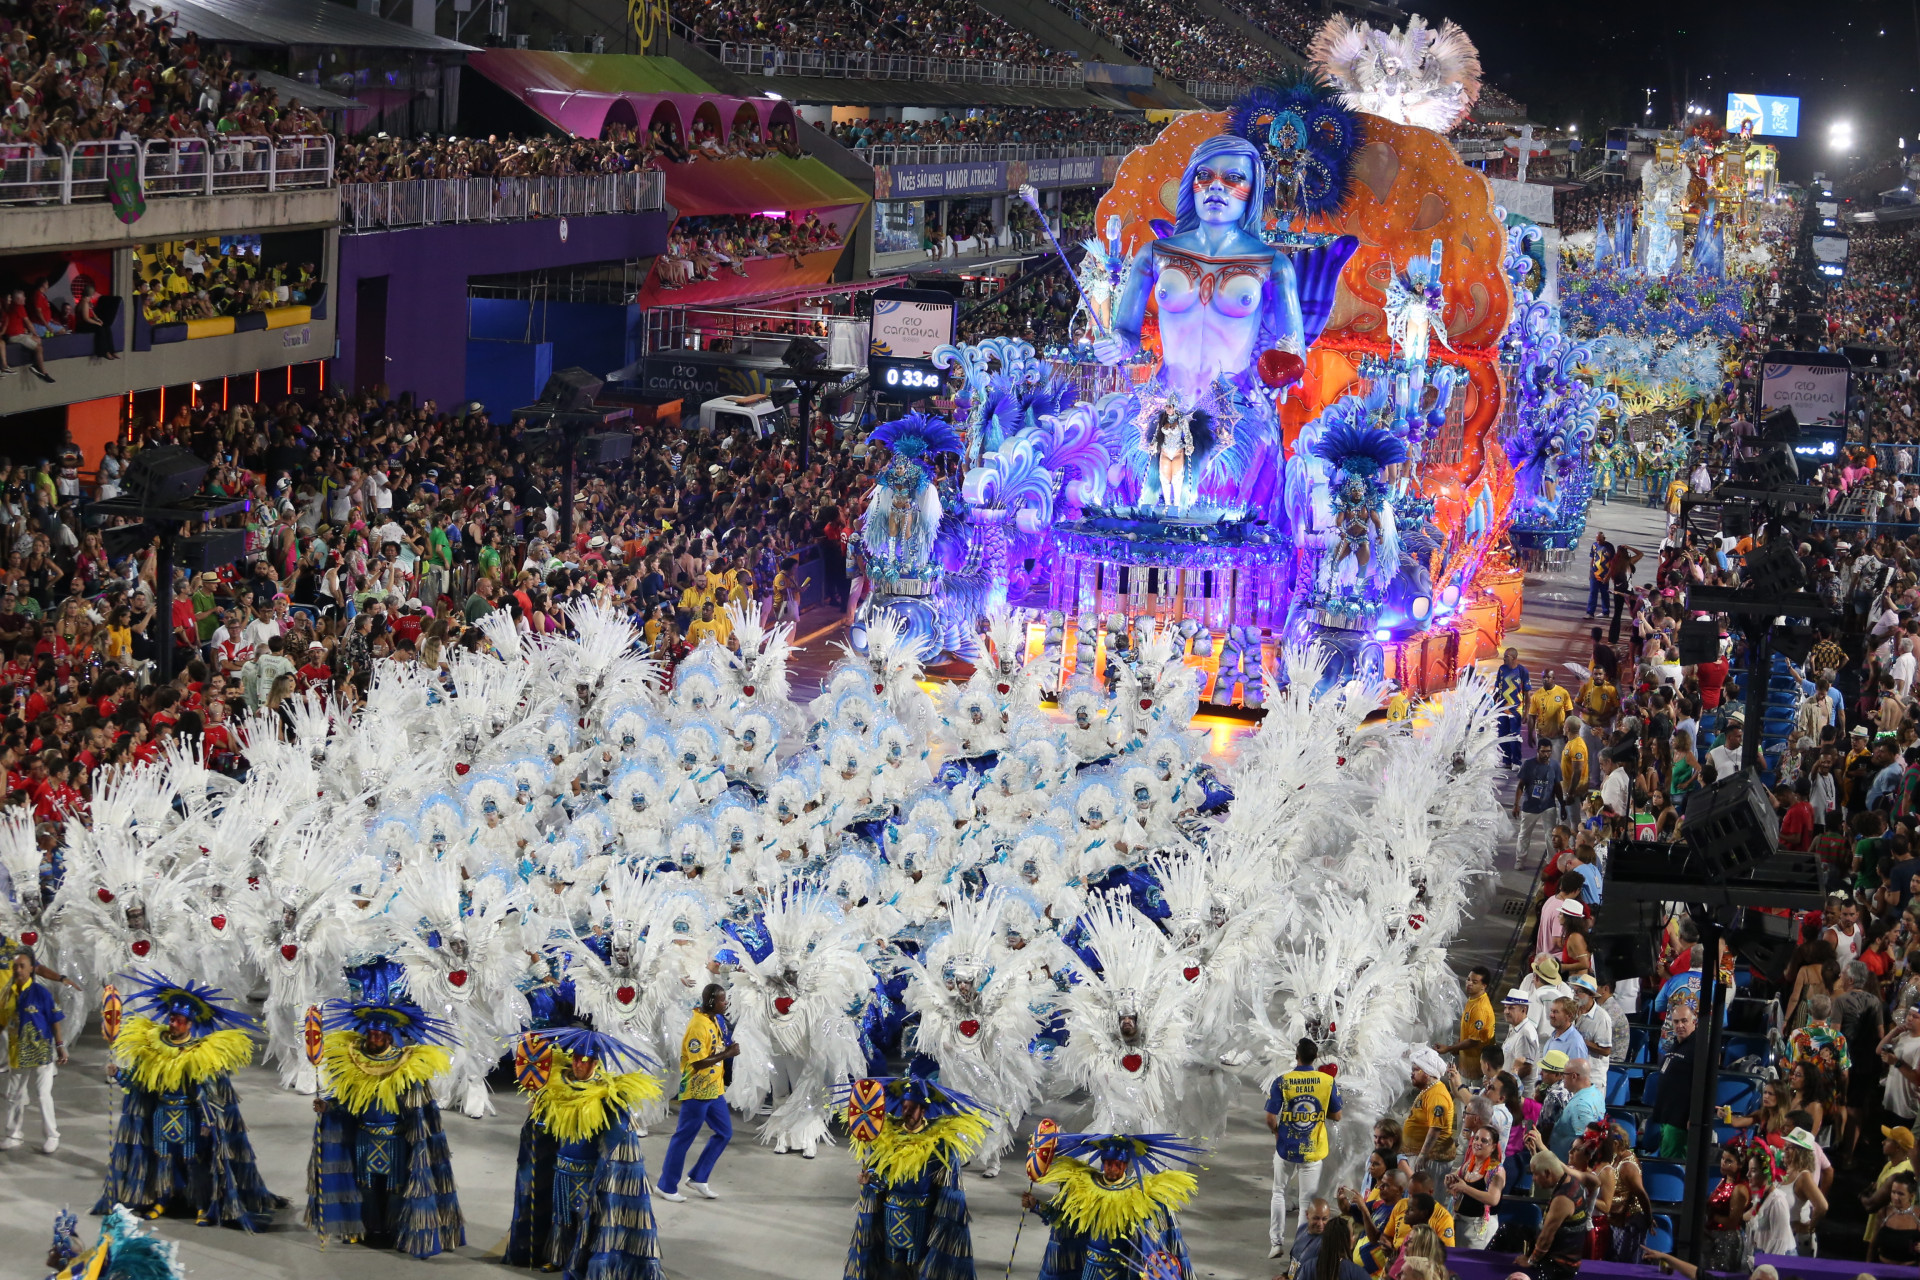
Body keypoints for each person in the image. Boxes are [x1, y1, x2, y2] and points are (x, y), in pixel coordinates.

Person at [94, 971, 282, 1226]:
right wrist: (119, 1074)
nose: (173, 1023)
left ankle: (201, 1204)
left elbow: (209, 1090)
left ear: (190, 1023)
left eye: (180, 1020)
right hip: (162, 1115)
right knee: (164, 1161)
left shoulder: (199, 1053)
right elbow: (141, 1083)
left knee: (194, 1163)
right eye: (172, 1018)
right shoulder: (153, 1047)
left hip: (190, 1117)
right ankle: (163, 1199)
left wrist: (207, 1120)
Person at [307, 962, 466, 1257]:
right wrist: (327, 1106)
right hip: (365, 1139)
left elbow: (419, 1110)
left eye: (381, 1033)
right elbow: (347, 1104)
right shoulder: (352, 1061)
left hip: (396, 1140)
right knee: (365, 1187)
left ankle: (395, 1230)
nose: (375, 1037)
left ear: (391, 1034)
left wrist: (418, 1140)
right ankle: (367, 1227)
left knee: (395, 1189)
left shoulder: (408, 1065)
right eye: (371, 1033)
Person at [504, 1025, 664, 1278]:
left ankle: (581, 1261)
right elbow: (543, 1124)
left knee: (585, 1217)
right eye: (578, 1059)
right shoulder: (555, 1085)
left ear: (596, 1062)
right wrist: (536, 1109)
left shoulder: (606, 1094)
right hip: (561, 1168)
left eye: (588, 1061)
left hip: (590, 1171)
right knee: (561, 1217)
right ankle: (557, 1256)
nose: (581, 1065)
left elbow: (618, 1132)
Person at [842, 1070, 984, 1280]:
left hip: (922, 1217)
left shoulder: (939, 1144)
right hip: (891, 1212)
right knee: (892, 1263)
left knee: (916, 1264)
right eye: (903, 1107)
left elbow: (947, 1189)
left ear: (923, 1110)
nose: (905, 1112)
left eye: (911, 1108)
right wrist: (870, 1181)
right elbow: (881, 1177)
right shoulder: (888, 1137)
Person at [1023, 1132, 1200, 1280]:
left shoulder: (1140, 1195)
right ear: (1103, 1162)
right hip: (1091, 1266)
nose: (1112, 1169)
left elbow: (1152, 1236)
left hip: (1122, 1268)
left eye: (1117, 1165)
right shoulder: (1085, 1188)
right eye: (1108, 1164)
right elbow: (1063, 1220)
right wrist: (1037, 1206)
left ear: (1125, 1166)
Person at [657, 983, 737, 1201]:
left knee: (724, 1132)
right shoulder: (697, 1026)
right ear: (712, 1002)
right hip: (697, 1090)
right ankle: (666, 1185)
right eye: (722, 1000)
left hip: (714, 1089)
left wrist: (725, 1049)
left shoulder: (715, 1020)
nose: (725, 1003)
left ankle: (698, 1178)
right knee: (683, 1137)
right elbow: (699, 1062)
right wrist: (728, 1054)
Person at [1268, 1036, 1345, 1256]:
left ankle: (1276, 1243)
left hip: (1286, 1147)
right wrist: (1318, 1112)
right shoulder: (1327, 1081)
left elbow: (1270, 1117)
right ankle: (1300, 1248)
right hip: (1313, 1149)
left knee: (1278, 1192)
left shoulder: (1282, 1081)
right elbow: (1337, 1116)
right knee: (1306, 1203)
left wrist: (1277, 1133)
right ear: (1316, 1058)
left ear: (1297, 1056)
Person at [0, 947, 66, 1153]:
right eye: (15, 966)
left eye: (22, 966)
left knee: (43, 1094)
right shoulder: (6, 993)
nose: (18, 970)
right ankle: (13, 1134)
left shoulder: (41, 993)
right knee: (14, 1095)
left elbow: (54, 1020)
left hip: (41, 1053)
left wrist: (60, 1045)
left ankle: (52, 1135)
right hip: (17, 1053)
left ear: (31, 969)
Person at [1525, 1147, 1595, 1280]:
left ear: (1547, 1173)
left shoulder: (1563, 1199)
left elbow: (1546, 1238)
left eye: (1535, 1174)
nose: (1533, 1179)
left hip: (1558, 1266)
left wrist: (1530, 1262)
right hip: (1564, 1258)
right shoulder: (1571, 1180)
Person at [1443, 1124, 1505, 1248]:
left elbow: (1493, 1199)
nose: (1478, 1143)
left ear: (1493, 1147)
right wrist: (1449, 1181)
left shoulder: (1496, 1170)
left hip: (1479, 1229)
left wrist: (1465, 1188)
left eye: (1484, 1141)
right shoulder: (1469, 1164)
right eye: (1476, 1138)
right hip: (1460, 1222)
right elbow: (1455, 1180)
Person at [1432, 967, 1495, 1079]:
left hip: (1477, 1068)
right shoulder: (1473, 1000)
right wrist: (1457, 1046)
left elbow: (1473, 1041)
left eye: (1474, 982)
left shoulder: (1480, 1009)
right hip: (1468, 1064)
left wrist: (1449, 1048)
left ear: (1483, 986)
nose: (1469, 983)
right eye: (1468, 979)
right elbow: (1469, 1032)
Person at [1403, 1048, 1457, 1177]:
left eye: (1416, 1070)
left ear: (1427, 1072)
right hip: (1426, 1157)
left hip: (1432, 1159)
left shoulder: (1437, 1095)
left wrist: (1422, 1155)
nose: (1412, 1074)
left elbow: (1435, 1129)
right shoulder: (1429, 1090)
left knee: (1429, 1195)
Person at [1513, 738, 1560, 866]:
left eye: (1549, 752)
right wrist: (1516, 805)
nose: (1546, 755)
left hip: (1548, 806)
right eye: (1543, 751)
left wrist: (1562, 803)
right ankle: (1520, 860)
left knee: (1551, 835)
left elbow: (1557, 786)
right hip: (1530, 806)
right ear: (1537, 750)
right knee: (1524, 834)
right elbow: (1520, 785)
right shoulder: (1528, 764)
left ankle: (1551, 861)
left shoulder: (1555, 765)